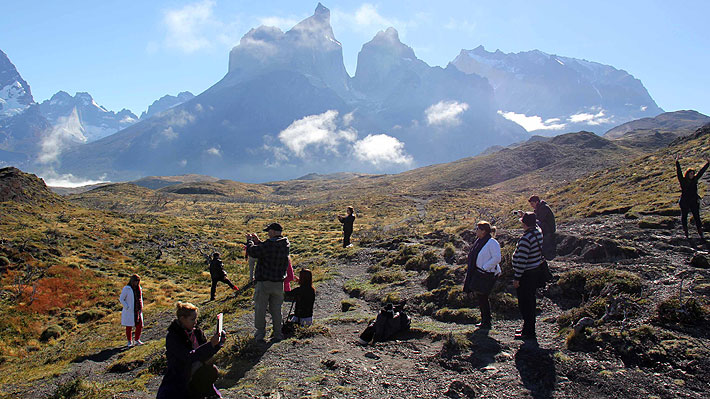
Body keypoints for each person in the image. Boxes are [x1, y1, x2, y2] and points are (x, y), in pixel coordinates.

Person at [157, 301, 227, 399]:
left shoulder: (197, 332)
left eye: (196, 319)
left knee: (210, 371)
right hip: (179, 378)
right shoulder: (173, 337)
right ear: (182, 319)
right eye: (192, 319)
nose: (196, 322)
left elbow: (205, 353)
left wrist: (217, 344)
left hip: (197, 374)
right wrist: (210, 345)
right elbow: (188, 357)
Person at [246, 222, 290, 342]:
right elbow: (267, 249)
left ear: (273, 231)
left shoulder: (269, 245)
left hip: (264, 282)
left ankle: (260, 333)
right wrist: (259, 242)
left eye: (269, 231)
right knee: (276, 309)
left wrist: (249, 241)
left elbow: (253, 252)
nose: (268, 233)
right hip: (278, 282)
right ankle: (277, 333)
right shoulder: (285, 244)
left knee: (260, 308)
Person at [462, 221, 501, 330]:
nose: (476, 231)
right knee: (481, 297)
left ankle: (486, 321)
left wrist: (485, 267)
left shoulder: (492, 243)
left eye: (478, 229)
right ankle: (485, 320)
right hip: (479, 273)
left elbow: (497, 258)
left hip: (486, 274)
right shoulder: (480, 241)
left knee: (483, 296)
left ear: (483, 231)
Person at [512, 212, 545, 340]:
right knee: (530, 301)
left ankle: (529, 332)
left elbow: (522, 260)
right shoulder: (538, 231)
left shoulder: (526, 238)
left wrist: (517, 277)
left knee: (525, 303)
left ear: (524, 223)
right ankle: (527, 328)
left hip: (526, 274)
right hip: (534, 271)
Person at [676, 154, 709, 239]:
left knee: (697, 216)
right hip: (685, 201)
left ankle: (700, 232)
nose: (692, 175)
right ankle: (686, 231)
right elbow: (679, 172)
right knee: (684, 216)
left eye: (693, 174)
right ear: (687, 174)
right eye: (691, 173)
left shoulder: (694, 180)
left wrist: (708, 164)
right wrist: (677, 162)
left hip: (694, 201)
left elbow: (701, 172)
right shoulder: (683, 181)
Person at [528, 195, 556, 260]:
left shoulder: (544, 208)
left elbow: (539, 219)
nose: (531, 205)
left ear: (536, 202)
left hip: (548, 229)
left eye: (532, 203)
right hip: (546, 227)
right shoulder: (540, 208)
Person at [119, 274, 143, 347]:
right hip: (130, 310)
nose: (136, 282)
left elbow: (140, 298)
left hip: (137, 309)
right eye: (135, 281)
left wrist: (141, 306)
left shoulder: (139, 288)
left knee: (139, 325)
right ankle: (129, 341)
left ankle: (137, 340)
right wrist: (127, 307)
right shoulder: (127, 288)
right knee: (129, 326)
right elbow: (121, 299)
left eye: (138, 281)